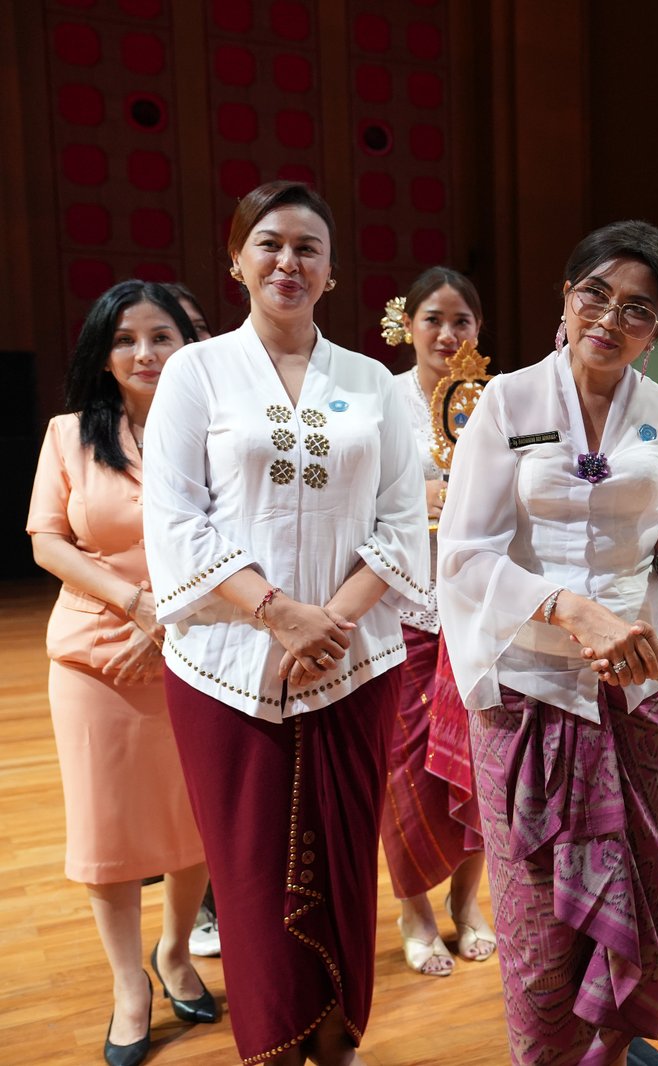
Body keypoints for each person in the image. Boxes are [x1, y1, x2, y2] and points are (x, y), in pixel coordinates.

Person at [142, 181, 429, 1066]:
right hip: (227, 665)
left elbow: (402, 516)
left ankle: (339, 1043)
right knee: (255, 874)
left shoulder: (373, 381)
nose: (288, 262)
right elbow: (175, 516)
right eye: (269, 244)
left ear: (333, 271)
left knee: (344, 871)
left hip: (353, 662)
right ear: (237, 260)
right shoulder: (196, 371)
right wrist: (276, 613)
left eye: (308, 247)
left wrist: (326, 625)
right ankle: (269, 1046)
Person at [436, 220, 658, 1063]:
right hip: (529, 692)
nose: (610, 317)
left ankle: (609, 1049)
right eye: (595, 293)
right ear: (566, 295)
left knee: (642, 892)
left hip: (635, 693)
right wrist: (570, 610)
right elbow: (464, 556)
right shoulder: (507, 401)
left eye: (638, 309)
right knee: (534, 927)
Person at [27, 280, 213, 1066]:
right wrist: (136, 602)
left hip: (196, 649)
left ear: (187, 345)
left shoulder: (213, 431)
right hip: (94, 659)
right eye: (127, 339)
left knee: (190, 822)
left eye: (161, 336)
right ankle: (128, 985)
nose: (145, 352)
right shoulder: (69, 434)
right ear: (103, 355)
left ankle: (176, 952)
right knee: (107, 831)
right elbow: (47, 540)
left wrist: (171, 615)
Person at [379, 266, 492, 977]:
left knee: (482, 767)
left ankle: (468, 903)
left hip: (478, 614)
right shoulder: (379, 401)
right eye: (434, 320)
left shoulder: (498, 403)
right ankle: (415, 910)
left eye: (463, 322)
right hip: (403, 611)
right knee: (407, 771)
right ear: (406, 326)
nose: (448, 335)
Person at [161, 280, 223, 961]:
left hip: (219, 621)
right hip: (128, 630)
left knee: (215, 790)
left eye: (189, 329)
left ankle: (214, 905)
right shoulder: (86, 428)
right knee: (172, 799)